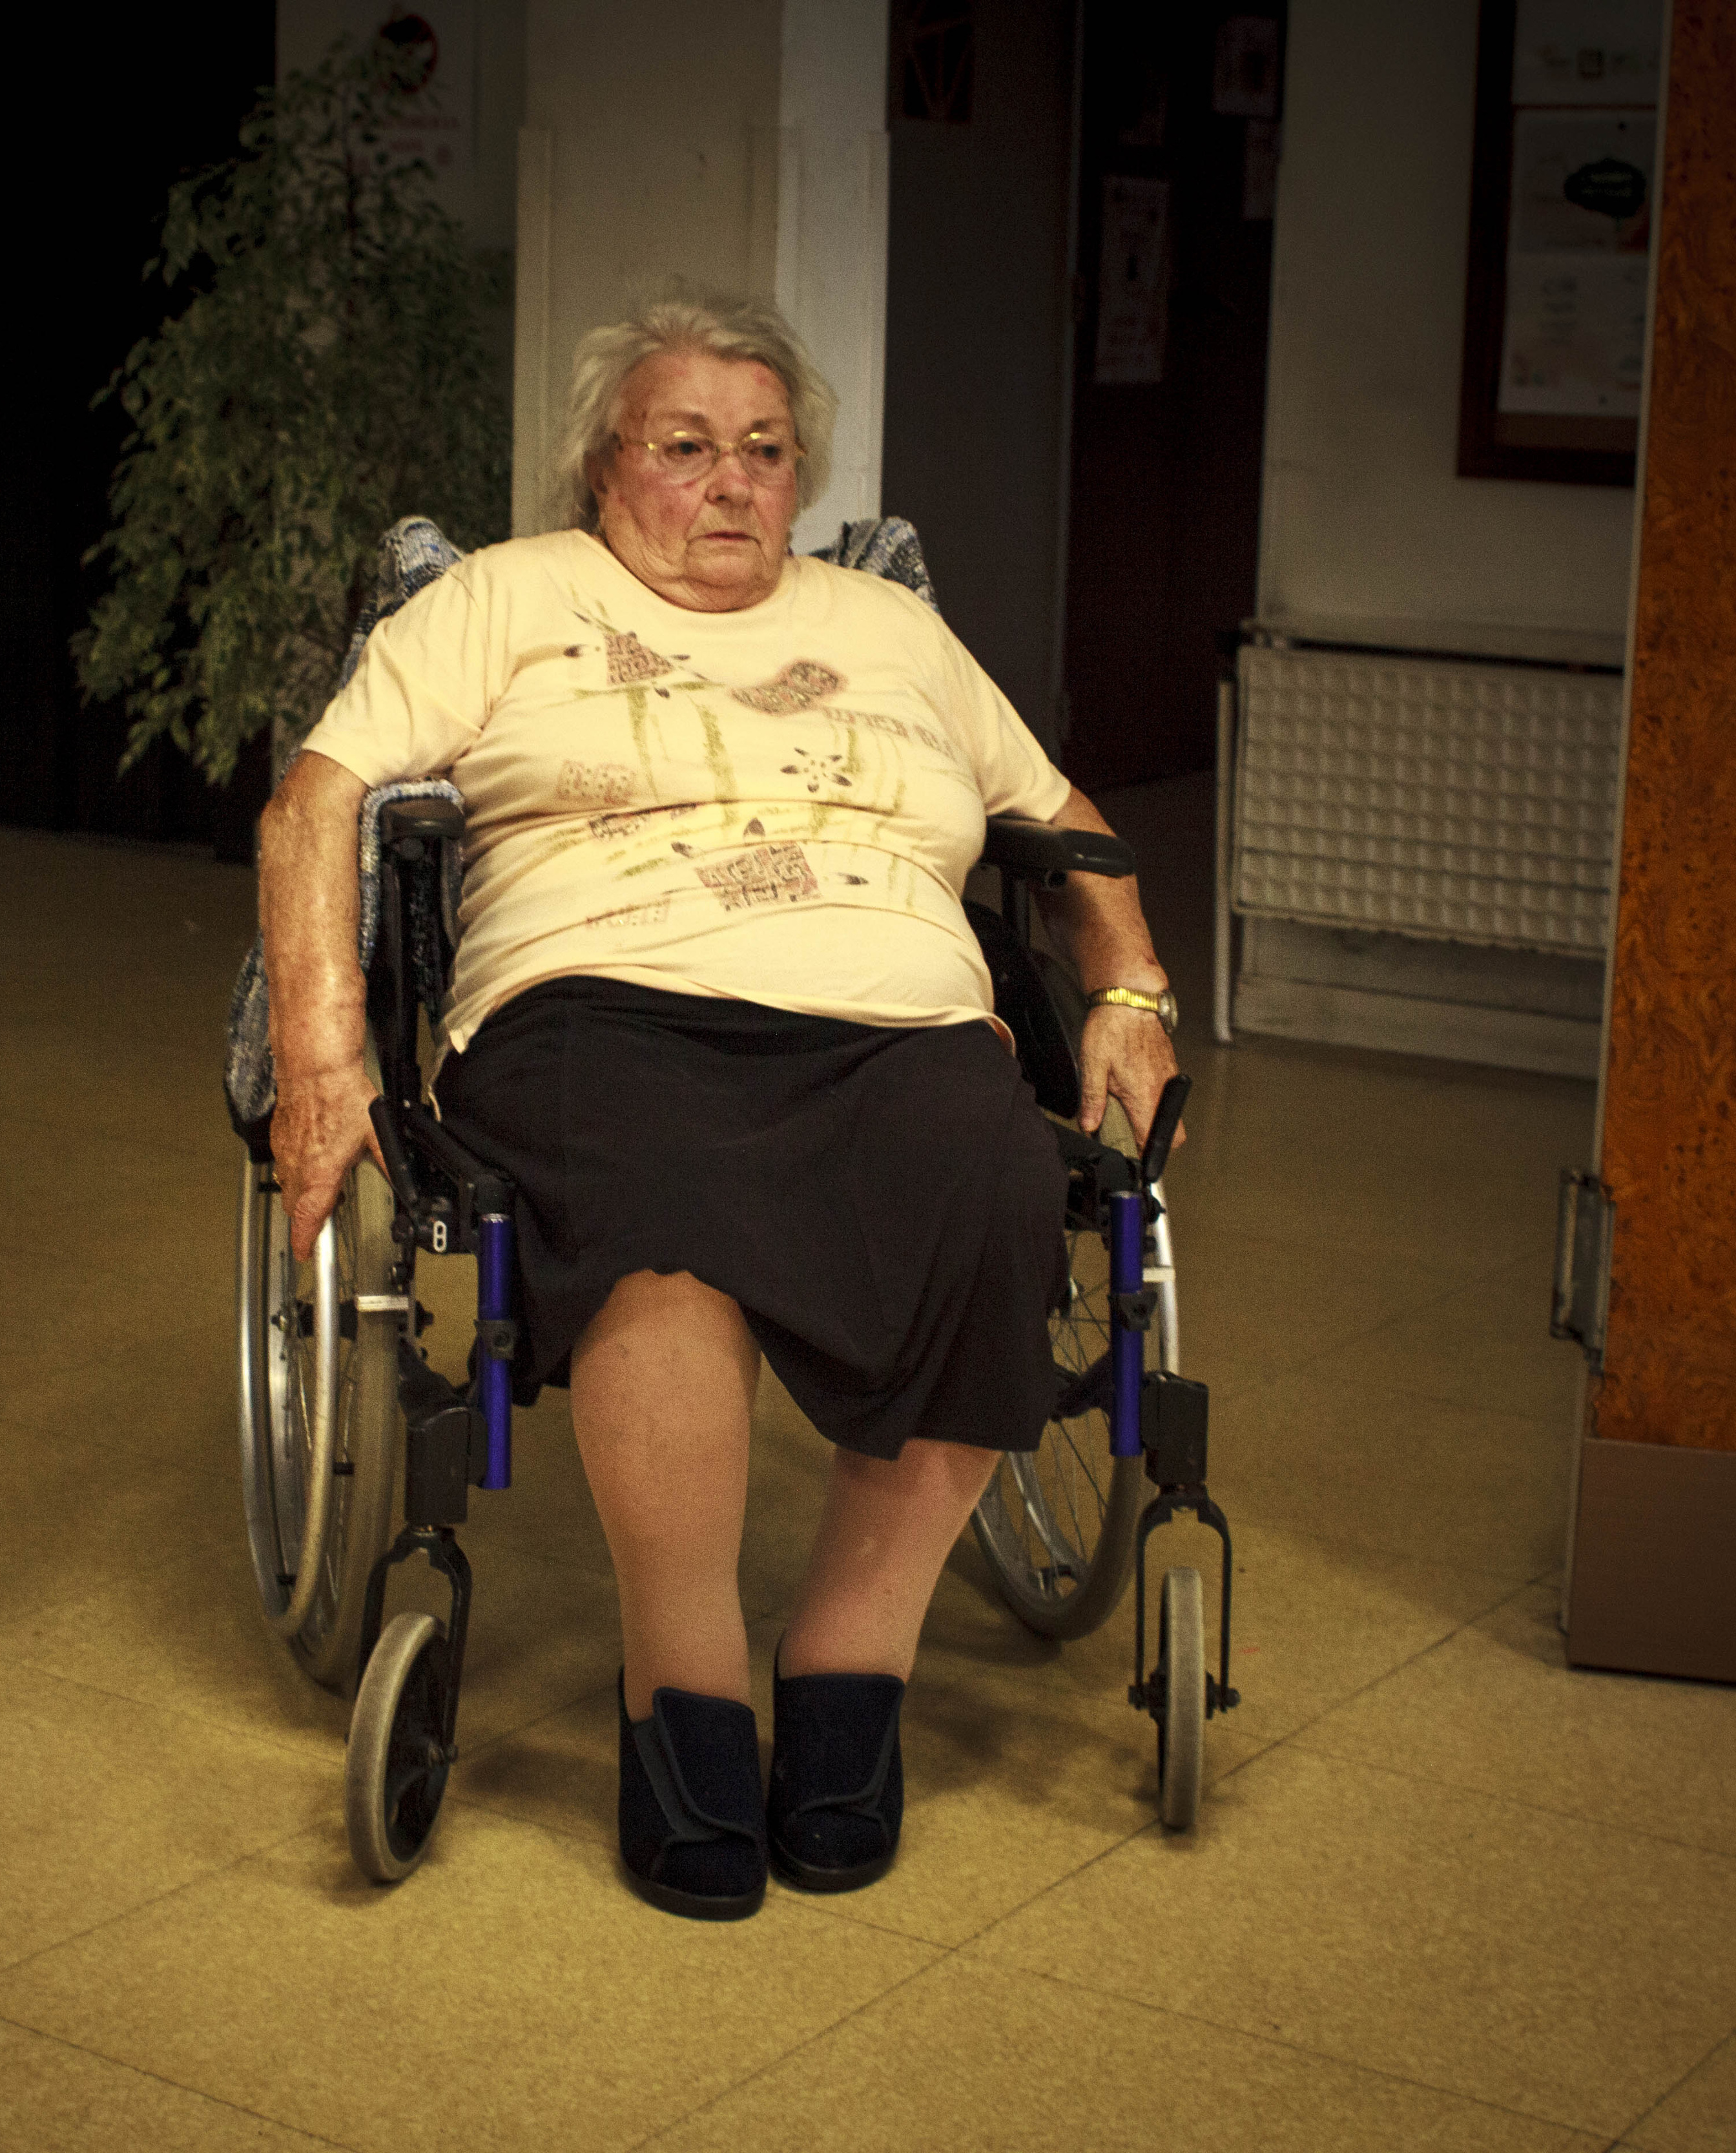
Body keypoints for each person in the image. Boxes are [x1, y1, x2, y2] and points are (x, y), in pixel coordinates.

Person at [260, 295, 1182, 1920]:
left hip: (896, 1013)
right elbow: (316, 799)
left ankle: (850, 1659)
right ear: (603, 465)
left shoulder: (887, 627)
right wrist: (325, 1051)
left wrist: (1130, 989)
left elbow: (1064, 819)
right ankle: (680, 1683)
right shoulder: (505, 597)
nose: (731, 481)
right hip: (599, 999)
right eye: (684, 447)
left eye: (763, 450)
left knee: (990, 1188)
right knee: (657, 1217)